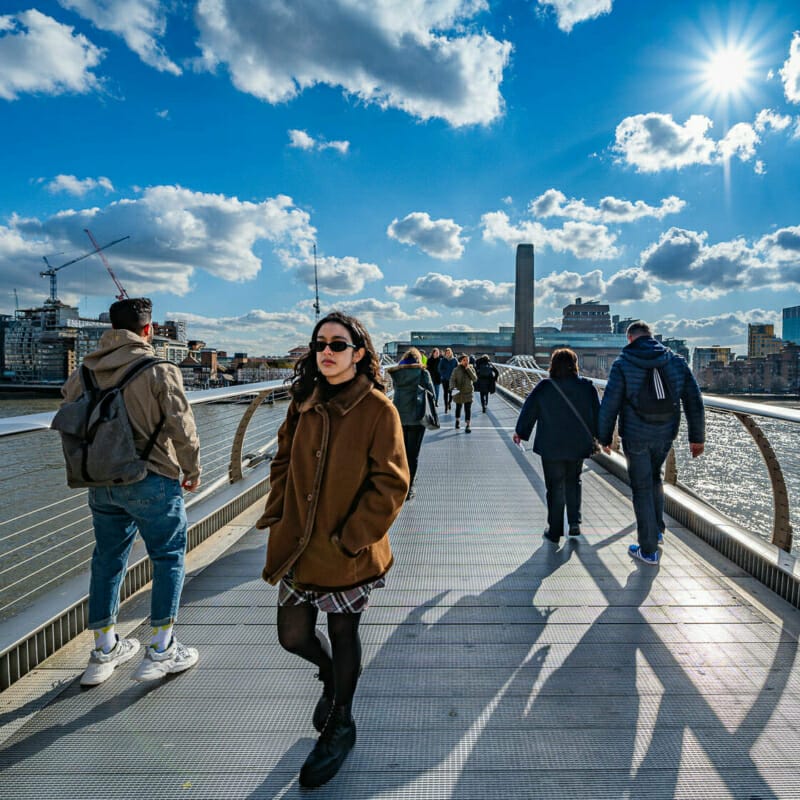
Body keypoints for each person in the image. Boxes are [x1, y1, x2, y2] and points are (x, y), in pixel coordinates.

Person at [256, 311, 409, 788]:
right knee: (293, 636)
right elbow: (283, 460)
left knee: (344, 633)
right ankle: (329, 676)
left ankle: (341, 721)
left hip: (347, 551)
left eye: (338, 344)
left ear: (359, 353)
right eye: (320, 343)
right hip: (298, 545)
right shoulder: (302, 402)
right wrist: (279, 514)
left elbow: (391, 482)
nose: (327, 351)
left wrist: (351, 537)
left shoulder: (378, 410)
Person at [60, 298, 202, 687]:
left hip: (102, 482)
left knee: (107, 560)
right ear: (147, 329)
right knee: (168, 557)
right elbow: (182, 428)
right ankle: (162, 649)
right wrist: (191, 470)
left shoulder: (85, 370)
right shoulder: (159, 369)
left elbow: (69, 403)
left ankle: (104, 651)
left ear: (110, 329)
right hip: (152, 478)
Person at [597, 321, 705, 566]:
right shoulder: (676, 361)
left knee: (641, 487)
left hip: (635, 436)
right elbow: (693, 400)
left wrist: (604, 438)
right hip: (665, 434)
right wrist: (697, 438)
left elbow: (610, 404)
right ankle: (656, 530)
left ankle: (648, 550)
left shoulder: (623, 364)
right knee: (655, 477)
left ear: (630, 339)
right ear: (651, 337)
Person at [513, 349, 600, 541]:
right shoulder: (587, 387)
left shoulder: (545, 386)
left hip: (551, 444)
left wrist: (521, 432)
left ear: (552, 365)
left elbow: (530, 409)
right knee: (573, 481)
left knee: (554, 486)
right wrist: (601, 438)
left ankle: (555, 530)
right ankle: (575, 522)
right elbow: (597, 414)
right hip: (577, 444)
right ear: (575, 364)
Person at [388, 347, 435, 500]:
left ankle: (399, 481)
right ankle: (409, 487)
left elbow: (395, 390)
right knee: (412, 454)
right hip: (417, 418)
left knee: (400, 452)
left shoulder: (397, 374)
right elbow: (431, 393)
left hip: (399, 417)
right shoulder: (422, 373)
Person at [449, 353, 477, 433]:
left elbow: (475, 379)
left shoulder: (471, 368)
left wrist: (468, 369)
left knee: (467, 409)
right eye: (464, 360)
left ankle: (468, 425)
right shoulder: (456, 369)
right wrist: (452, 387)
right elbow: (452, 379)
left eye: (467, 360)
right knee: (458, 407)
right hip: (459, 392)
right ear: (460, 361)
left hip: (468, 392)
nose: (466, 362)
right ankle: (457, 421)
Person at [438, 347, 458, 413]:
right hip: (445, 379)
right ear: (445, 353)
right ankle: (446, 406)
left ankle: (449, 402)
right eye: (446, 353)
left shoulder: (454, 360)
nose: (447, 354)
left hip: (452, 379)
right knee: (445, 393)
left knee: (451, 393)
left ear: (451, 353)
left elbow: (457, 369)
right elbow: (440, 369)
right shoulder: (443, 360)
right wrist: (443, 374)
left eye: (449, 353)